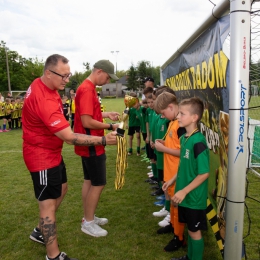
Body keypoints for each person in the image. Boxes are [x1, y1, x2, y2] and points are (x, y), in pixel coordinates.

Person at [22, 54, 117, 260]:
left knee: (63, 188)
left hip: (51, 152)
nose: (67, 80)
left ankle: (40, 231)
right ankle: (53, 256)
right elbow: (70, 137)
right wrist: (103, 140)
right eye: (63, 76)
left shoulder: (45, 85)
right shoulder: (44, 99)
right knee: (47, 206)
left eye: (68, 75)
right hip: (41, 157)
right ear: (48, 73)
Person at [74, 59, 120, 238]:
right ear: (99, 71)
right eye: (108, 77)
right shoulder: (86, 89)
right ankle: (89, 222)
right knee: (98, 183)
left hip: (89, 141)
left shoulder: (88, 87)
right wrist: (110, 127)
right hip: (92, 142)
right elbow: (86, 121)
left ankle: (88, 217)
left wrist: (106, 115)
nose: (107, 82)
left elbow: (89, 114)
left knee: (89, 181)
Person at [163, 97, 209, 260]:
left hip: (194, 198)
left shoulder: (199, 142)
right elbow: (183, 165)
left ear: (194, 117)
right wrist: (172, 180)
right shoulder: (184, 139)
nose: (178, 117)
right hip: (184, 196)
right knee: (190, 229)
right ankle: (190, 256)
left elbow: (204, 173)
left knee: (195, 232)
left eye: (182, 114)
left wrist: (184, 191)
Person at [154, 92, 186, 252]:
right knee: (173, 205)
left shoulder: (181, 125)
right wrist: (164, 143)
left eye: (164, 113)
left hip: (177, 175)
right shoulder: (173, 122)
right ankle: (173, 227)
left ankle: (179, 238)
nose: (164, 117)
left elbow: (183, 152)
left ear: (171, 107)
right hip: (170, 173)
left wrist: (164, 148)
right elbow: (173, 145)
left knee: (177, 205)